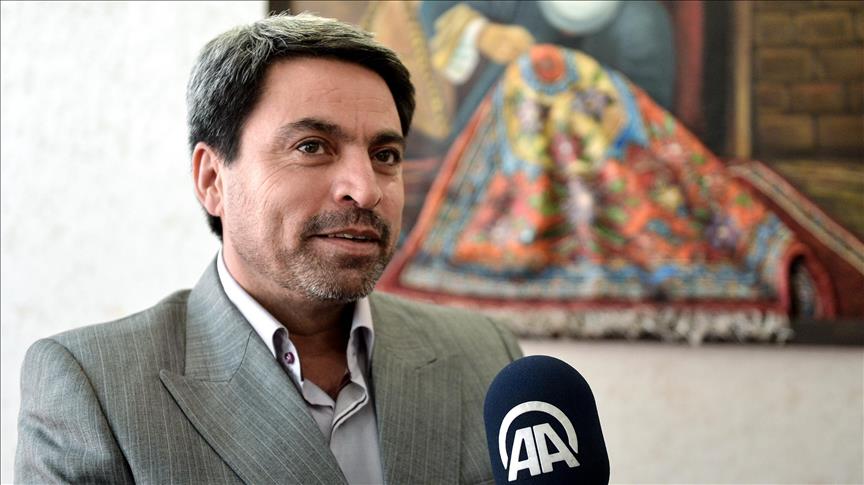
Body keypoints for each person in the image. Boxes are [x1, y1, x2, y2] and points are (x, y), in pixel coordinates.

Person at [15, 13, 522, 485]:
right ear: (212, 179)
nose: (366, 189)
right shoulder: (94, 387)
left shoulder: (486, 356)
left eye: (385, 155)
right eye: (312, 147)